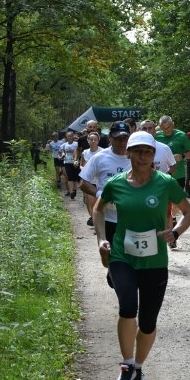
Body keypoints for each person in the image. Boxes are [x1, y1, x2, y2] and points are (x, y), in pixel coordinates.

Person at [93, 131, 190, 380]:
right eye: (137, 151)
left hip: (154, 261)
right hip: (122, 256)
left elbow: (188, 212)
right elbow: (98, 208)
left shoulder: (165, 182)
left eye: (147, 152)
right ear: (128, 153)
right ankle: (126, 366)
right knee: (128, 307)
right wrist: (102, 239)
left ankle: (138, 369)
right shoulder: (116, 184)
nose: (142, 157)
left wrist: (175, 232)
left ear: (153, 156)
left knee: (148, 321)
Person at [79, 120, 132, 289]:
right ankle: (113, 271)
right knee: (110, 255)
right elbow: (83, 182)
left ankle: (125, 282)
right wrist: (99, 193)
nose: (122, 142)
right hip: (108, 217)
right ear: (110, 138)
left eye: (125, 138)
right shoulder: (100, 158)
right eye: (118, 138)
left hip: (132, 217)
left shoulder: (137, 156)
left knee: (131, 255)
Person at [157, 116, 190, 248]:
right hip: (161, 177)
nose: (167, 131)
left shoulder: (181, 135)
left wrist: (183, 156)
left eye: (169, 127)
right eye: (164, 128)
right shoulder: (157, 136)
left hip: (178, 175)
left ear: (173, 124)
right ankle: (171, 233)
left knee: (175, 206)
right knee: (165, 205)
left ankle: (172, 220)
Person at [79, 132, 102, 225]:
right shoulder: (85, 153)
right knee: (91, 202)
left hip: (100, 181)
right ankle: (94, 220)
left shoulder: (103, 152)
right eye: (91, 139)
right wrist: (85, 170)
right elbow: (81, 165)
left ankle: (98, 221)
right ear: (88, 141)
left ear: (98, 141)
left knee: (99, 202)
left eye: (95, 139)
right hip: (89, 181)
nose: (93, 141)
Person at [60, 131, 80, 199]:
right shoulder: (64, 145)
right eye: (68, 136)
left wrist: (76, 160)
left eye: (71, 136)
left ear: (73, 136)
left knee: (75, 178)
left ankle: (74, 190)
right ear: (66, 137)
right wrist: (61, 156)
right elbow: (61, 152)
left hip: (75, 163)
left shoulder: (77, 144)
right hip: (67, 162)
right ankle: (71, 191)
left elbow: (79, 152)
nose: (70, 137)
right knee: (69, 177)